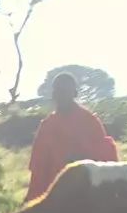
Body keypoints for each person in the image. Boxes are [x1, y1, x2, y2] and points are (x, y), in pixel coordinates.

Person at [25, 72, 120, 203]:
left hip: (89, 195)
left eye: (66, 92)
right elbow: (38, 172)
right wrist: (32, 202)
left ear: (75, 93)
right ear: (54, 95)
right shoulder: (47, 127)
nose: (62, 96)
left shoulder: (89, 121)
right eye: (59, 92)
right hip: (57, 199)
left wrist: (82, 160)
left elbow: (108, 161)